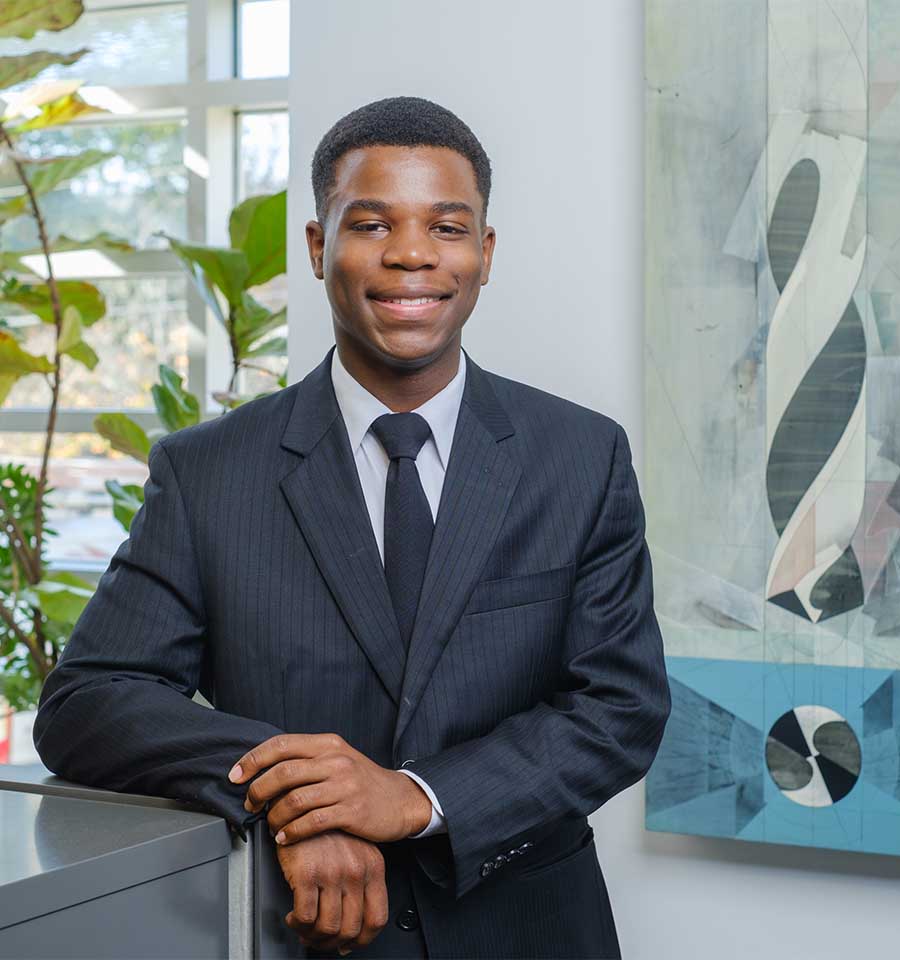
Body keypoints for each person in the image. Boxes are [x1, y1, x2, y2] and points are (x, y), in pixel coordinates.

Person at [33, 96, 671, 959]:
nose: (411, 254)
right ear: (318, 246)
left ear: (484, 254)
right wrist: (304, 794)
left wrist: (412, 795)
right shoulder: (208, 471)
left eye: (447, 228)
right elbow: (88, 704)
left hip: (529, 932)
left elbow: (619, 708)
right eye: (372, 223)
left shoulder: (581, 456)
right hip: (303, 937)